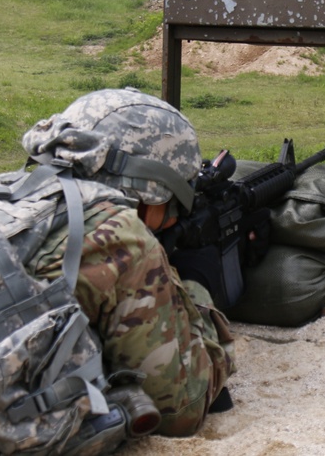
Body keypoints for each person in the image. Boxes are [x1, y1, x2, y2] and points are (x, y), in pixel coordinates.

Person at [18, 87, 235, 437]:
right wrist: (192, 292)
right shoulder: (122, 236)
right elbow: (181, 410)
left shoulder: (5, 192)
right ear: (153, 188)